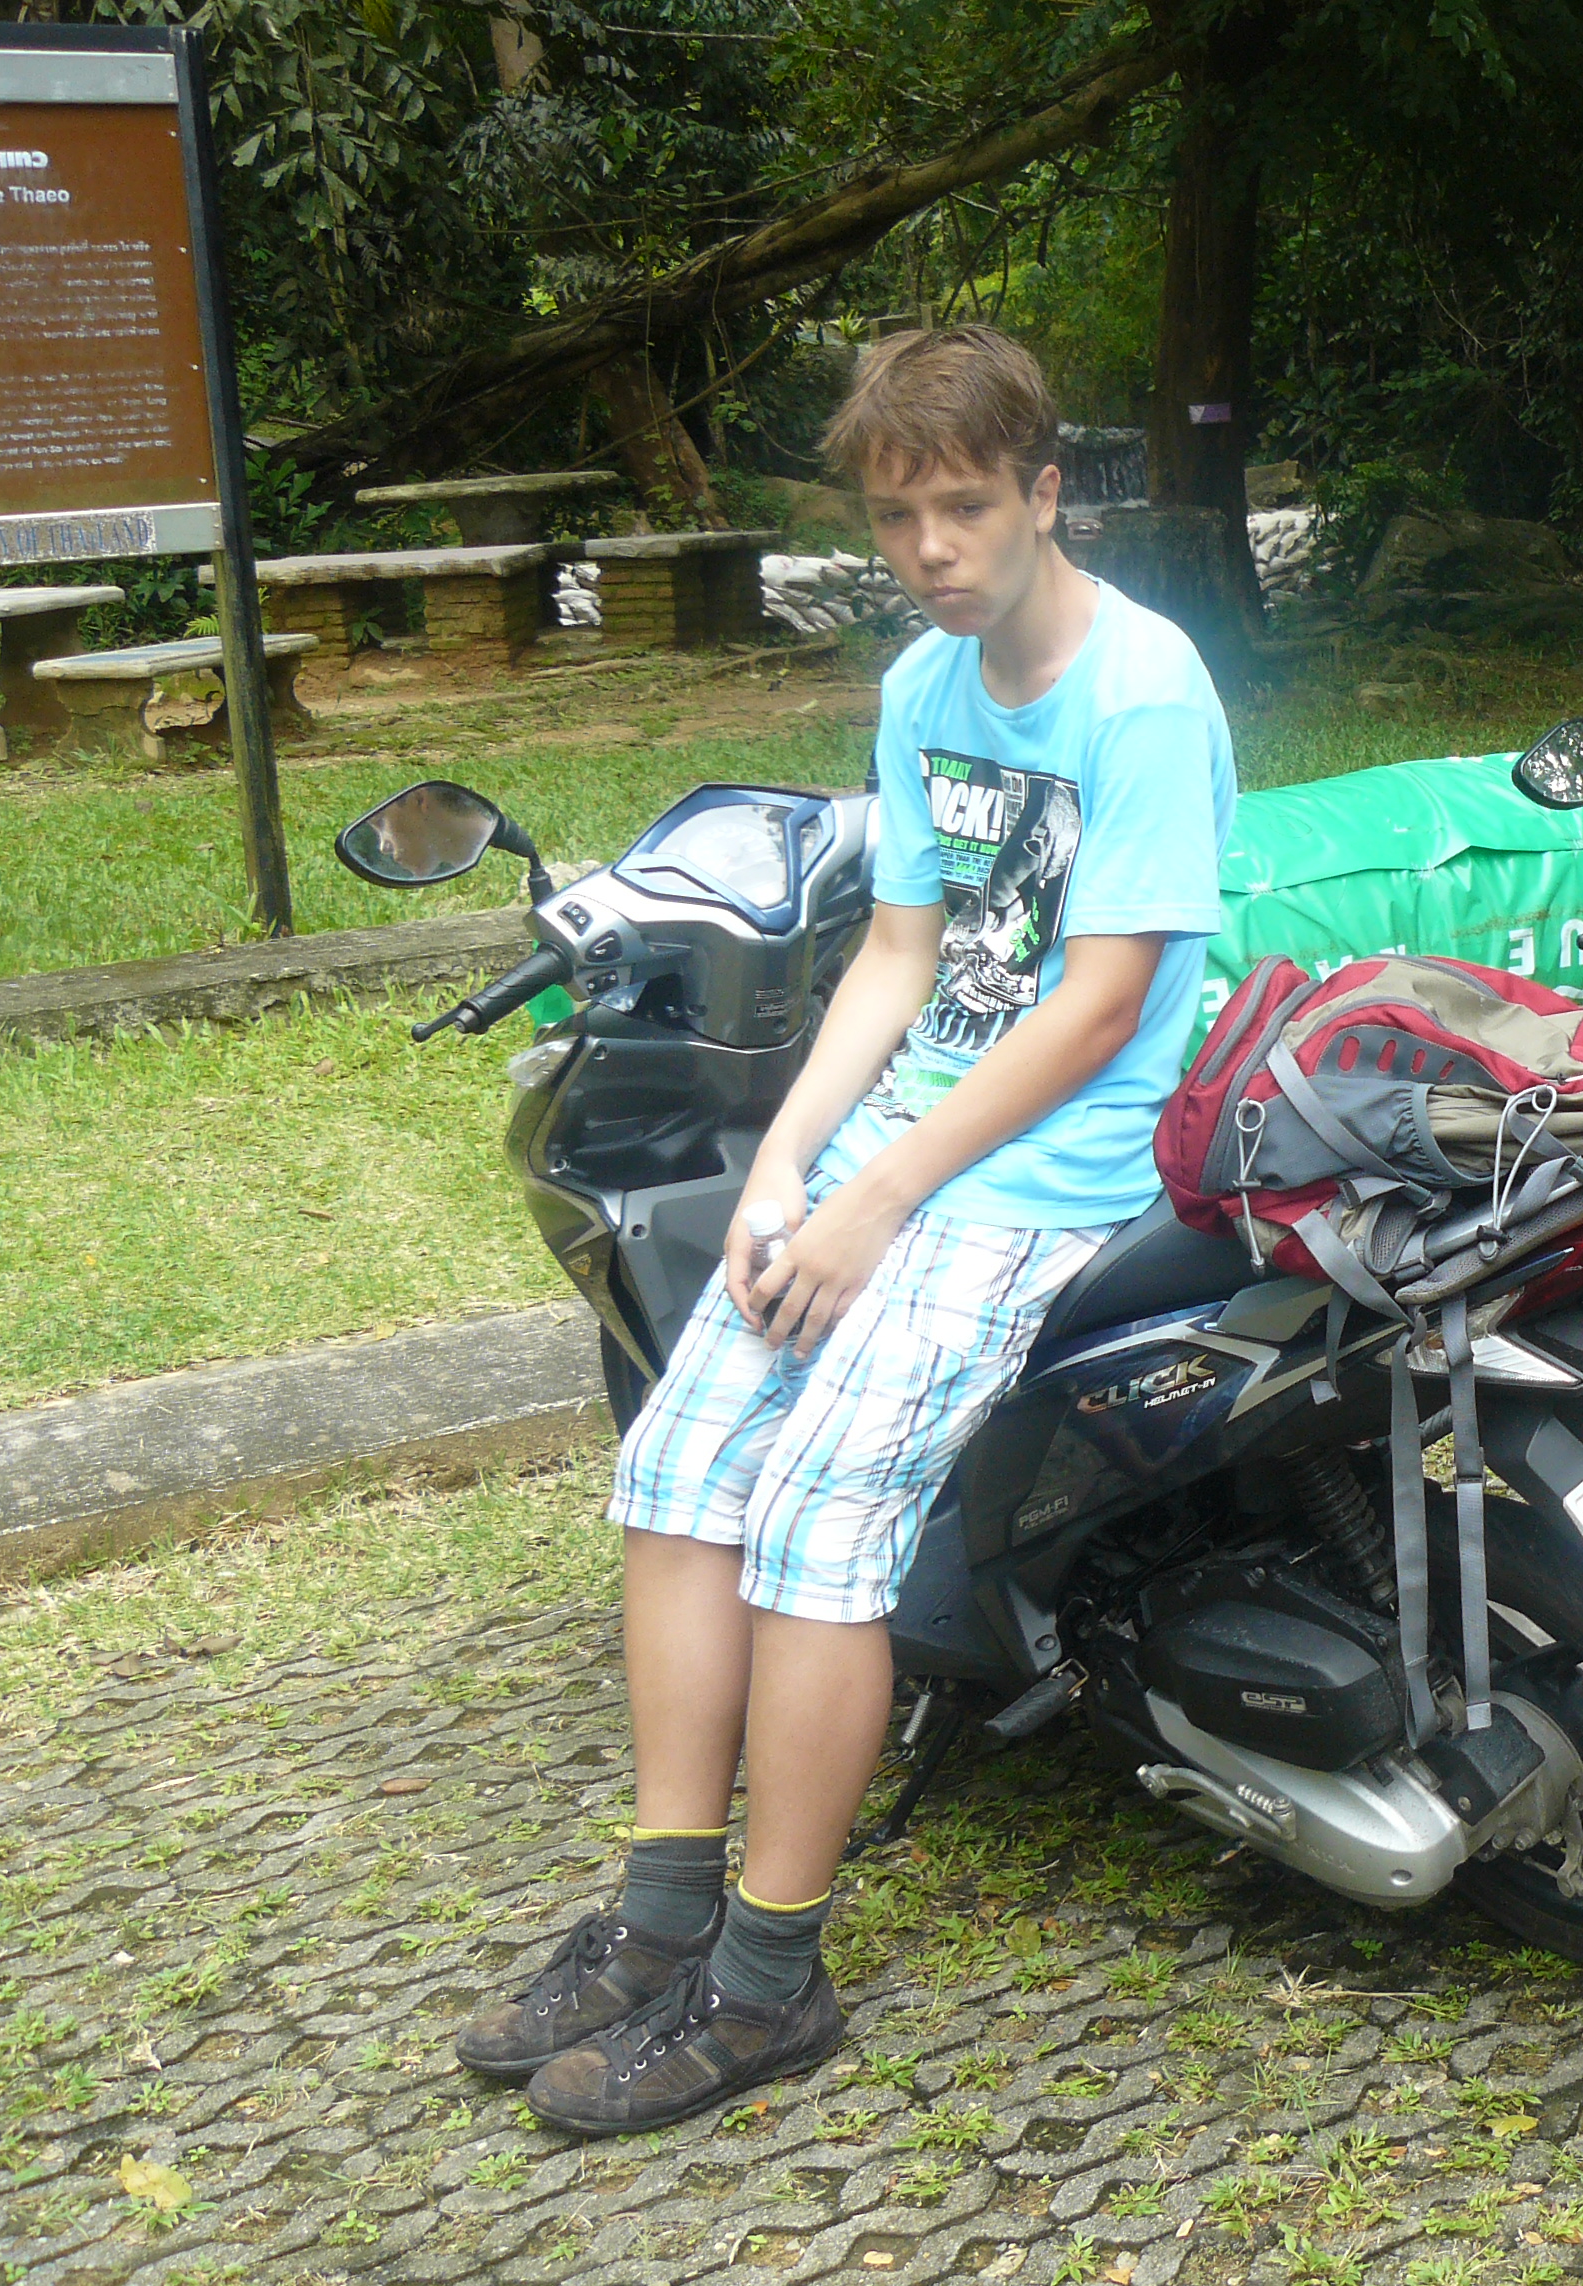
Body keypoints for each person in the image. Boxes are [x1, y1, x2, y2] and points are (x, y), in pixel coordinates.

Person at [450, 324, 1236, 2135]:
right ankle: (663, 1912)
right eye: (896, 517)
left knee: (818, 1518)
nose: (930, 549)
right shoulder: (921, 684)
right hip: (902, 1145)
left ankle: (766, 1974)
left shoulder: (1143, 692)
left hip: (1056, 1168)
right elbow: (895, 951)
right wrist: (789, 1166)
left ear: (1046, 493)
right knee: (676, 1470)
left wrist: (879, 1200)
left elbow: (1101, 1007)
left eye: (966, 507)